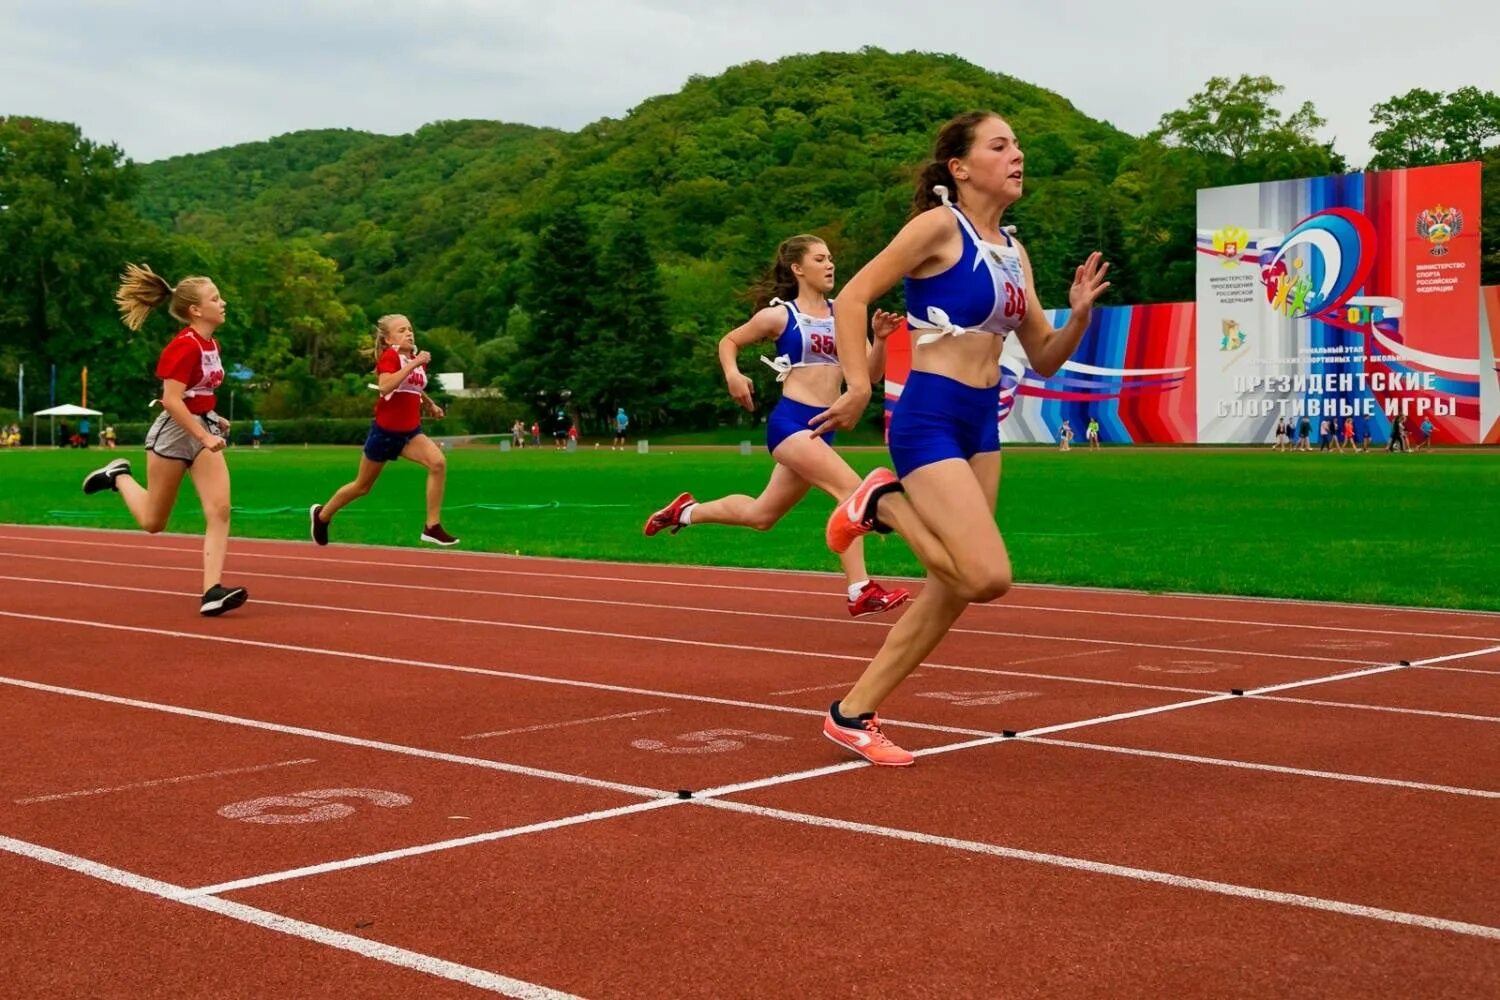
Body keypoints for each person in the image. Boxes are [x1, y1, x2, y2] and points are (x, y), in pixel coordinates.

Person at [809, 111, 1111, 765]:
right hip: (931, 416)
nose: (1017, 155)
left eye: (1019, 146)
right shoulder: (938, 227)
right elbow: (856, 296)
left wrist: (1079, 316)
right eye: (999, 146)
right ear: (960, 167)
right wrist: (858, 384)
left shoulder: (1013, 251)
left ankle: (850, 715)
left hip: (982, 423)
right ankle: (879, 502)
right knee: (987, 575)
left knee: (951, 591)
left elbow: (1046, 356)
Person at [643, 235, 911, 618]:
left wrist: (881, 341)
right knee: (854, 492)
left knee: (761, 515)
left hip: (824, 428)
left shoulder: (845, 315)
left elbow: (867, 376)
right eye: (820, 259)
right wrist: (733, 375)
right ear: (798, 269)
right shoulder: (780, 315)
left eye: (831, 258)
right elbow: (729, 341)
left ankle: (685, 512)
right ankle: (859, 589)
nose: (830, 264)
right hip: (791, 424)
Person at [81, 263, 248, 616]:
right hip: (175, 433)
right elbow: (171, 400)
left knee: (219, 510)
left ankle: (212, 591)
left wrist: (214, 419)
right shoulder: (182, 346)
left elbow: (197, 393)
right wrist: (203, 432)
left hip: (203, 429)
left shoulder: (210, 343)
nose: (224, 303)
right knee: (154, 522)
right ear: (195, 310)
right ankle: (119, 476)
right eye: (216, 298)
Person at [309, 314, 459, 548]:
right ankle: (322, 515)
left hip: (410, 433)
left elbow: (412, 387)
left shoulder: (413, 357)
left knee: (438, 463)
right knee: (362, 486)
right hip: (385, 433)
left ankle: (432, 526)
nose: (408, 333)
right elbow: (385, 386)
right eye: (401, 330)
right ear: (389, 340)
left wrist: (428, 402)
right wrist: (414, 363)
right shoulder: (392, 357)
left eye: (409, 328)